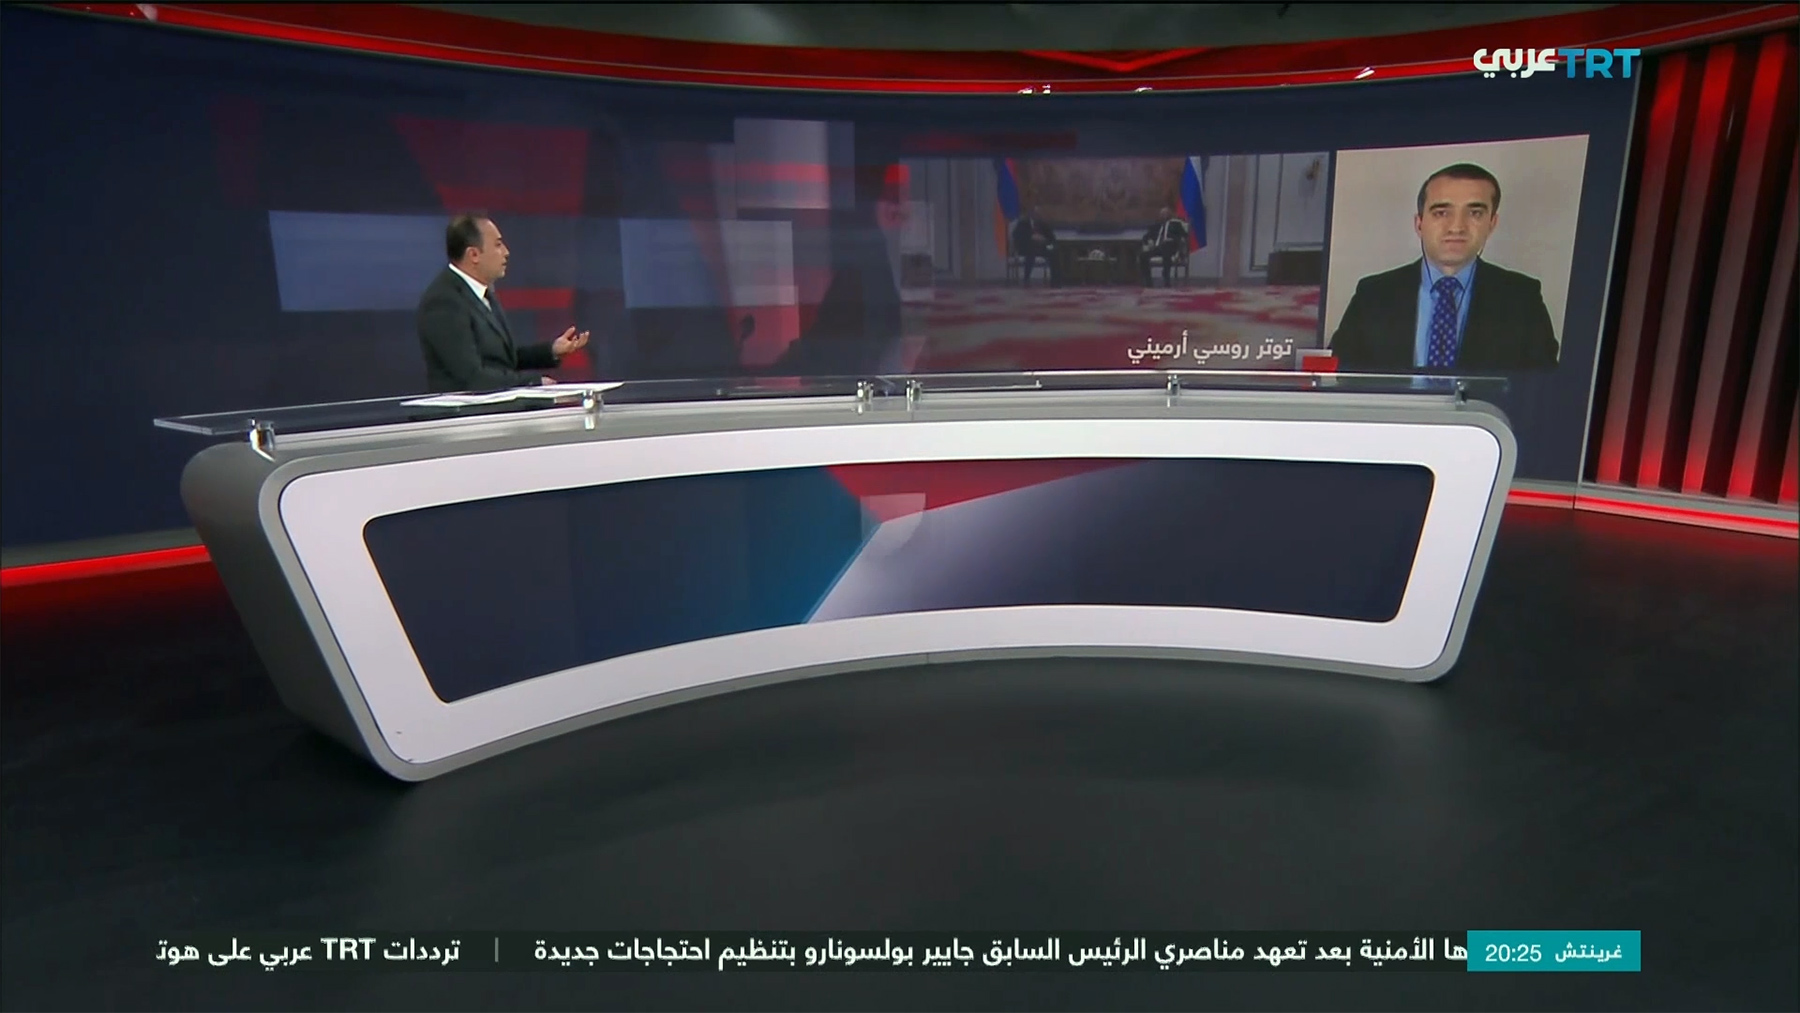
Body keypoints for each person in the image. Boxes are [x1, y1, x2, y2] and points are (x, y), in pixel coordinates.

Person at [1328, 163, 1559, 373]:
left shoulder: (1523, 299)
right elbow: (1337, 380)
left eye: (1475, 213)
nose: (1456, 227)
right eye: (1441, 213)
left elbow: (1544, 391)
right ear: (1419, 223)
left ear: (1492, 224)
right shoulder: (1372, 296)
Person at [417, 214, 589, 392]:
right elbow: (473, 377)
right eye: (498, 245)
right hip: (470, 409)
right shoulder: (444, 301)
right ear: (474, 254)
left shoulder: (484, 294)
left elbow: (505, 360)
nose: (506, 252)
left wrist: (552, 351)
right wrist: (533, 382)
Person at [1140, 207, 1190, 286]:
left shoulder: (1175, 224)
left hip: (1171, 247)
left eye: (1165, 213)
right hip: (1158, 247)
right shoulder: (1156, 226)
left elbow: (1184, 235)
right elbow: (1145, 237)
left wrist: (1177, 240)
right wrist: (1149, 241)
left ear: (1169, 214)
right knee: (1143, 255)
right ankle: (1148, 281)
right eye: (1162, 214)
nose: (1164, 215)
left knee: (1166, 248)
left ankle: (1166, 277)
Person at [1011, 207, 1056, 285]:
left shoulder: (1043, 224)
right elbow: (1016, 235)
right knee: (1031, 253)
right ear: (1030, 214)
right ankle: (1026, 278)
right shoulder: (1023, 223)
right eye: (1035, 213)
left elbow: (1051, 237)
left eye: (1038, 213)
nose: (1037, 215)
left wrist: (1043, 239)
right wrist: (1031, 237)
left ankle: (1055, 278)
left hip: (1042, 247)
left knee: (1053, 250)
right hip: (1026, 248)